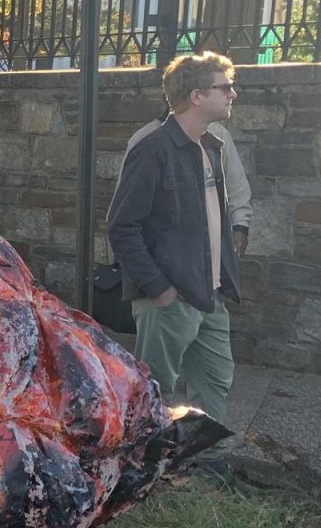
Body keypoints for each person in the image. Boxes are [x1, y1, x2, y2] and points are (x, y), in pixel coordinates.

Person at [106, 52, 242, 454]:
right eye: (225, 87)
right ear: (197, 95)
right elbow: (122, 226)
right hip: (168, 299)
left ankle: (205, 466)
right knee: (154, 391)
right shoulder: (153, 149)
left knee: (215, 381)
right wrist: (160, 290)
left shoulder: (213, 146)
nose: (233, 93)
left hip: (210, 293)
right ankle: (144, 468)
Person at [126, 106, 251, 258]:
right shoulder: (144, 141)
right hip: (161, 252)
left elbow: (236, 186)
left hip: (210, 251)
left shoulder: (217, 136)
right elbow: (126, 211)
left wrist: (240, 226)